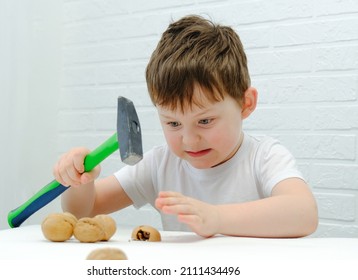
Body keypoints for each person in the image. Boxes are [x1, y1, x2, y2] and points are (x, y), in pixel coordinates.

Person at [54, 15, 318, 238]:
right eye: (173, 123)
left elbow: (304, 213)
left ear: (245, 104)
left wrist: (215, 217)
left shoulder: (264, 156)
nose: (189, 140)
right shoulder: (160, 164)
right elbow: (83, 212)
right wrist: (80, 181)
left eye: (205, 121)